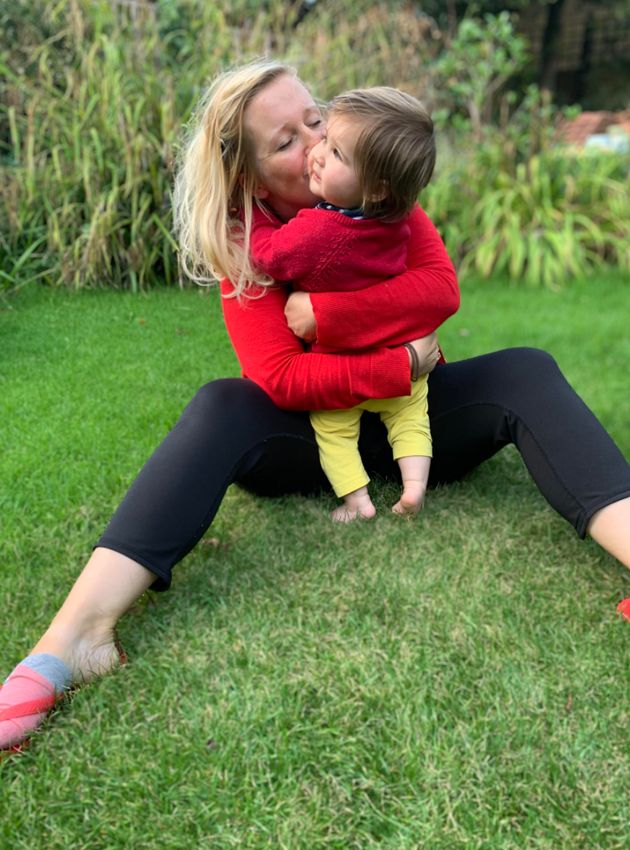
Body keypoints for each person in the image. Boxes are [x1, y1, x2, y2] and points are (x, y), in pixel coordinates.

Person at [2, 59, 630, 755]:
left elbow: (439, 292)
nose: (316, 143)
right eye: (285, 142)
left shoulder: (377, 190)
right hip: (310, 447)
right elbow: (280, 378)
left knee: (527, 370)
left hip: (414, 427)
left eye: (316, 118)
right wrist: (397, 360)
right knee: (222, 403)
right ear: (248, 176)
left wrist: (329, 316)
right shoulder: (248, 241)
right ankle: (74, 641)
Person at [249, 86, 450, 521]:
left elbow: (271, 256)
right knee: (412, 418)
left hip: (338, 373)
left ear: (377, 187)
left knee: (334, 433)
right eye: (288, 142)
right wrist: (403, 362)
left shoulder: (318, 229)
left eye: (328, 142)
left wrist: (249, 232)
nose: (316, 152)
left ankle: (357, 501)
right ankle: (414, 485)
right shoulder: (392, 214)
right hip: (403, 363)